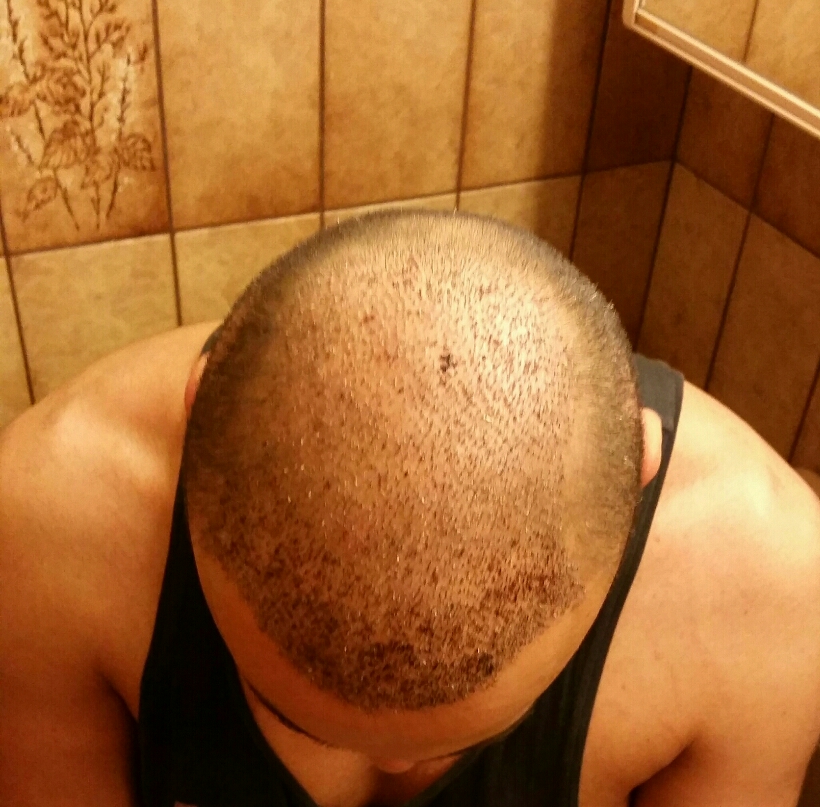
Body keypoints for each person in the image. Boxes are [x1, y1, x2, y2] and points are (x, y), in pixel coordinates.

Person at [1, 211, 819, 807]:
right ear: (199, 411)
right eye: (293, 717)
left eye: (483, 735)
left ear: (637, 472)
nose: (391, 767)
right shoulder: (47, 526)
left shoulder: (765, 588)